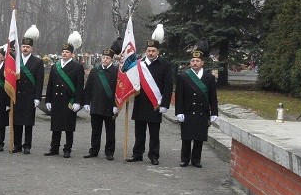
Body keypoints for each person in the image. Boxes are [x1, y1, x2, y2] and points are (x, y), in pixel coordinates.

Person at [127, 29, 173, 165]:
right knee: (139, 132)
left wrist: (165, 104)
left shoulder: (165, 65)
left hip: (155, 104)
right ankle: (137, 154)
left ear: (158, 51)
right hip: (141, 103)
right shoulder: (138, 64)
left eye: (153, 50)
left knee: (154, 133)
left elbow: (168, 86)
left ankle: (154, 155)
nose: (151, 53)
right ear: (146, 51)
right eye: (149, 50)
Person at [174, 42, 218, 168]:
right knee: (186, 137)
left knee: (199, 138)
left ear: (202, 63)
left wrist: (214, 112)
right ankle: (184, 159)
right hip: (188, 111)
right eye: (192, 60)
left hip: (202, 112)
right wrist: (179, 112)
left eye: (197, 60)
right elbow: (179, 96)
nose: (194, 63)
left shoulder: (209, 78)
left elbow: (213, 97)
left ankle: (196, 160)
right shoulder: (183, 77)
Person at [44, 32, 85, 158]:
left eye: (67, 52)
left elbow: (79, 86)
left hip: (69, 100)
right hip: (56, 100)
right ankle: (54, 148)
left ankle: (67, 149)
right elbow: (50, 84)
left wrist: (78, 102)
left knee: (68, 126)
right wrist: (48, 100)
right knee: (55, 125)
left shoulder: (77, 67)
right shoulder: (55, 67)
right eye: (63, 52)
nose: (64, 54)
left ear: (72, 54)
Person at [82, 41, 120, 160]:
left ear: (112, 59)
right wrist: (86, 102)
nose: (105, 60)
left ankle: (109, 152)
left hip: (110, 106)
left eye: (107, 58)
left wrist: (116, 105)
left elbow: (118, 90)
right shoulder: (95, 70)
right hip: (96, 105)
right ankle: (93, 150)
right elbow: (88, 88)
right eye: (103, 57)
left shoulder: (116, 72)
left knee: (110, 131)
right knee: (95, 130)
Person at [13, 26, 45, 154]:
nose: (25, 49)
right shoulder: (16, 60)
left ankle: (27, 145)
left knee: (28, 122)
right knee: (17, 122)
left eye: (27, 47)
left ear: (31, 48)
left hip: (30, 96)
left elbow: (39, 81)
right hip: (17, 95)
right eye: (23, 47)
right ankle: (17, 145)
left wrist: (37, 97)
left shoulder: (37, 62)